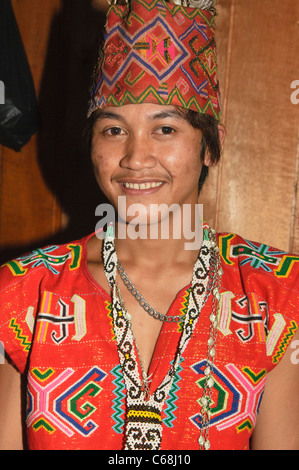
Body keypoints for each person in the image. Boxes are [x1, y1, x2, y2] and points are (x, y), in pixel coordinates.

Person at [0, 0, 299, 451]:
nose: (135, 159)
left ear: (209, 148)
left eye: (165, 129)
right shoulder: (24, 294)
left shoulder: (276, 294)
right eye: (113, 130)